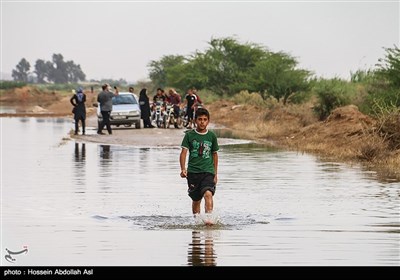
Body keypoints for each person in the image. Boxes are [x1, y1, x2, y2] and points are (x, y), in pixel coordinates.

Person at [180, 108, 219, 216]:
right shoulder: (189, 135)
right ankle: (197, 226)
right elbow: (183, 152)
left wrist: (215, 174)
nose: (202, 122)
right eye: (200, 119)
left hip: (208, 172)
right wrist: (183, 169)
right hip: (193, 173)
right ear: (195, 121)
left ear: (208, 121)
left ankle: (209, 220)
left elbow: (215, 154)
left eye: (205, 119)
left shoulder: (211, 136)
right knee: (196, 199)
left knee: (208, 194)